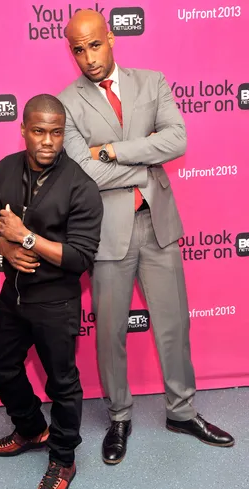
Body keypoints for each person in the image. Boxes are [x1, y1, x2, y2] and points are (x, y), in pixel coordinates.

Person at [58, 10, 234, 465]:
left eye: (94, 44)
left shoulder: (152, 81)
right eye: (78, 49)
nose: (88, 57)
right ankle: (119, 416)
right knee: (110, 333)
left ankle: (181, 410)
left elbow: (176, 140)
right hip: (106, 236)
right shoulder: (67, 102)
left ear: (111, 38)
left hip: (158, 224)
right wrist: (144, 163)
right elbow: (83, 171)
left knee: (175, 325)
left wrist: (114, 150)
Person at [0, 94, 103, 489]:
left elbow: (80, 257)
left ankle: (64, 458)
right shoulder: (4, 169)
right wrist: (6, 249)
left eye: (56, 132)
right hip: (13, 293)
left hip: (56, 302)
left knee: (62, 384)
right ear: (23, 130)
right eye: (39, 131)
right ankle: (32, 427)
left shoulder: (82, 187)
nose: (48, 141)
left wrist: (26, 237)